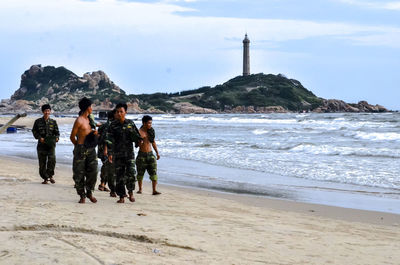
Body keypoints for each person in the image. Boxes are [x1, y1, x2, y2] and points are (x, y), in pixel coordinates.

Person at [107, 103, 142, 203]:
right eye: (117, 112)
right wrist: (110, 153)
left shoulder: (130, 123)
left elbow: (137, 137)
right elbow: (109, 140)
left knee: (131, 174)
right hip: (118, 155)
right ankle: (121, 196)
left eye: (121, 111)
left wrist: (139, 142)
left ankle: (130, 193)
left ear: (125, 112)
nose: (119, 113)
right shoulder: (112, 125)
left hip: (129, 154)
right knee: (119, 176)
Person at [70, 97, 98, 203]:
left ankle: (89, 192)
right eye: (91, 106)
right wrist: (78, 146)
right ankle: (82, 195)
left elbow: (91, 131)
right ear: (87, 107)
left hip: (91, 149)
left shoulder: (90, 119)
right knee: (79, 174)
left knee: (93, 172)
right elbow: (72, 137)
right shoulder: (79, 120)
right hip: (81, 149)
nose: (92, 108)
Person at [32, 104, 60, 184]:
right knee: (42, 163)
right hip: (41, 146)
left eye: (48, 111)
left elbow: (57, 132)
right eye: (45, 111)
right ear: (43, 112)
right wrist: (39, 137)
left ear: (50, 111)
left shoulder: (53, 122)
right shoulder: (37, 122)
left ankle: (50, 176)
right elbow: (34, 131)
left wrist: (57, 138)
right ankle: (45, 178)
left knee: (52, 161)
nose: (47, 112)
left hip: (51, 145)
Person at [136, 115, 161, 195]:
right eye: (149, 123)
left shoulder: (151, 131)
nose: (150, 125)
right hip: (141, 155)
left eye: (151, 123)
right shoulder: (139, 132)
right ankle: (140, 189)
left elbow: (153, 142)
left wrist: (157, 152)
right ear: (144, 123)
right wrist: (140, 141)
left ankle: (154, 190)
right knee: (140, 173)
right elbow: (136, 144)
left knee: (154, 172)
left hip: (150, 154)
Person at [97, 110, 116, 197]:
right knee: (108, 166)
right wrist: (105, 149)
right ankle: (103, 184)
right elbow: (106, 138)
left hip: (102, 148)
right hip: (107, 149)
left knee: (106, 166)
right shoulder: (111, 125)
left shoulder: (104, 125)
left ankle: (103, 184)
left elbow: (97, 135)